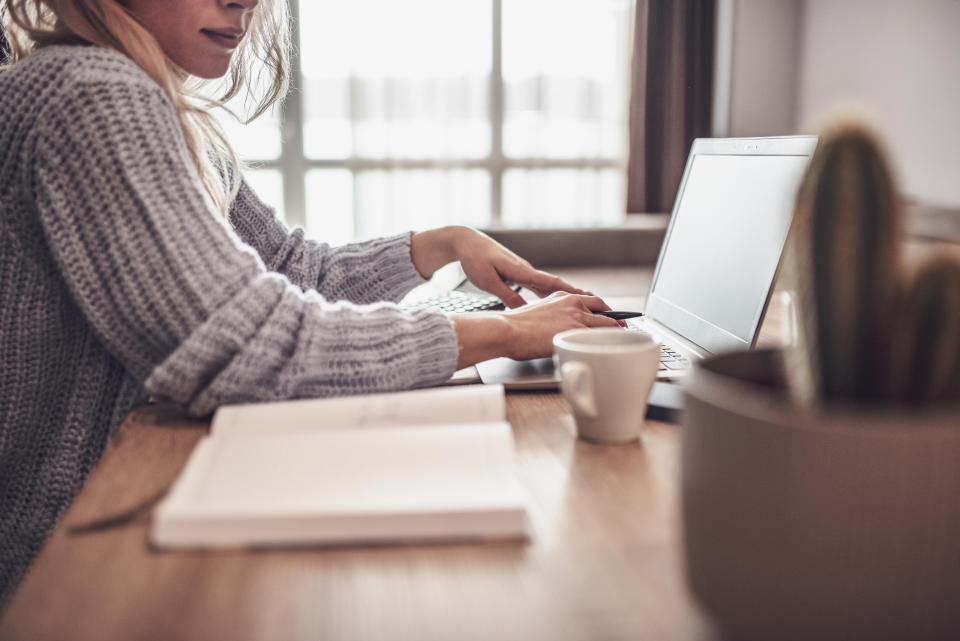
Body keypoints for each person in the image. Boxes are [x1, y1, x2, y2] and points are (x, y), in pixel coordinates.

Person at [0, 0, 621, 605]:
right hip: (52, 565)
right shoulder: (88, 94)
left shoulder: (158, 105)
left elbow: (292, 272)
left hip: (112, 509)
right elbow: (250, 346)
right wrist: (508, 335)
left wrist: (440, 245)